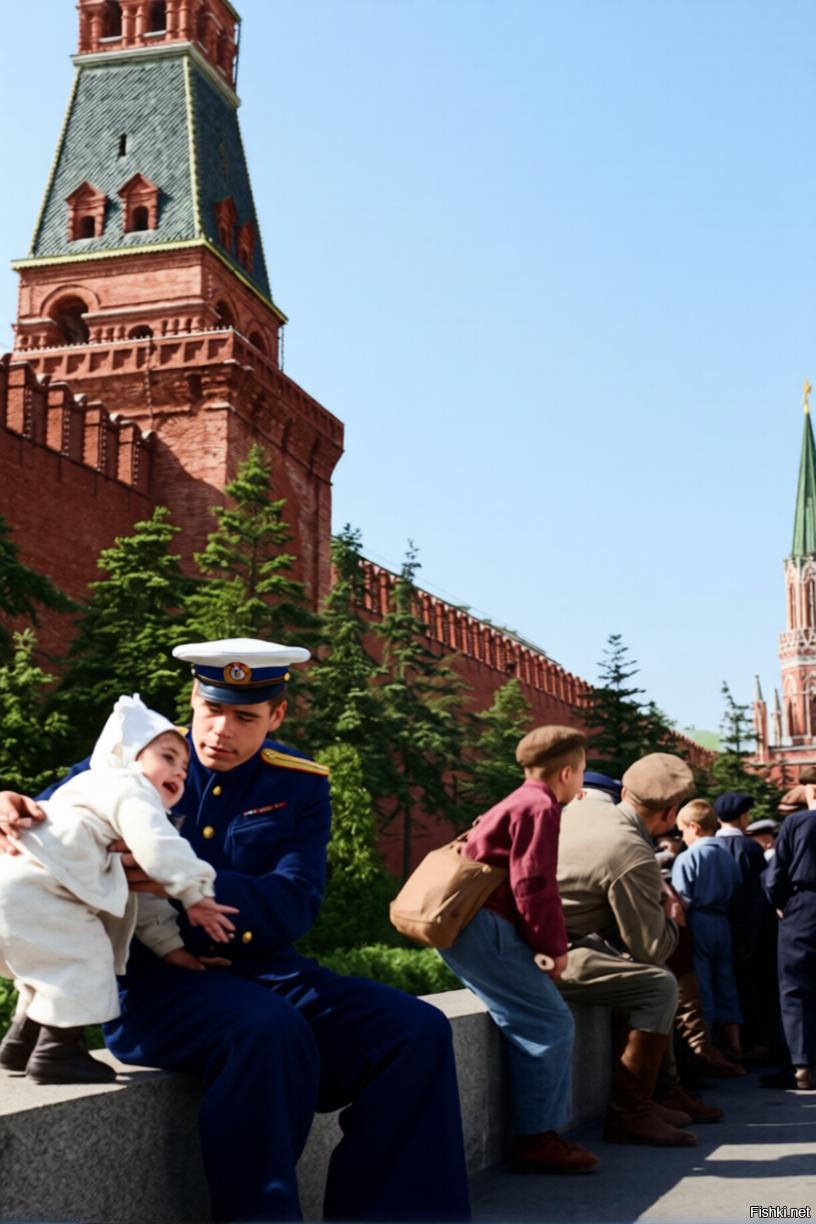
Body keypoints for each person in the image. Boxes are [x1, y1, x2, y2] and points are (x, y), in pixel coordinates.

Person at [0, 639, 471, 1224]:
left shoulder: (298, 785)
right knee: (265, 1029)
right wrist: (10, 809)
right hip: (153, 983)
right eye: (212, 710)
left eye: (245, 718)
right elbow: (37, 831)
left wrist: (188, 883)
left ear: (277, 715)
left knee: (415, 1031)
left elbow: (295, 905)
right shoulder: (131, 762)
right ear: (193, 700)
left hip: (268, 970)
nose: (221, 731)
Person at [0, 694, 236, 1085]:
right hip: (37, 891)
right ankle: (57, 1054)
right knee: (83, 962)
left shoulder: (83, 796)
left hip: (17, 890)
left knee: (48, 968)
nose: (179, 772)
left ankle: (20, 1043)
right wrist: (196, 894)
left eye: (184, 767)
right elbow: (159, 848)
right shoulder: (129, 786)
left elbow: (139, 895)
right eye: (167, 757)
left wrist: (171, 949)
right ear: (127, 757)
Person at [439, 725, 600, 1175]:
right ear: (566, 772)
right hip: (485, 927)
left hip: (469, 925)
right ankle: (537, 1140)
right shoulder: (540, 805)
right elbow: (533, 884)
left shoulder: (517, 799)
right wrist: (554, 948)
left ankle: (541, 1134)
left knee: (531, 1016)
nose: (581, 783)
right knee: (549, 1021)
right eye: (582, 772)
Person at [555, 753, 715, 1147]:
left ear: (625, 792)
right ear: (672, 813)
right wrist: (673, 920)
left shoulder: (584, 810)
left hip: (523, 939)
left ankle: (663, 1093)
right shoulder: (631, 850)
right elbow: (651, 948)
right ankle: (631, 1113)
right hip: (542, 952)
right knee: (656, 984)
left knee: (639, 974)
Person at [671, 800, 743, 1060]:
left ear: (694, 827)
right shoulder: (727, 856)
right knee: (726, 982)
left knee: (701, 985)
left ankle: (708, 1049)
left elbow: (682, 901)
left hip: (698, 921)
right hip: (723, 922)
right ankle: (734, 1045)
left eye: (682, 831)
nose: (682, 837)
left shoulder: (688, 857)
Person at [761, 799, 816, 1091]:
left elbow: (776, 875)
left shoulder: (798, 821)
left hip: (805, 904)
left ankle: (802, 1067)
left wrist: (783, 904)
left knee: (796, 988)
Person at [713, 792, 771, 1056]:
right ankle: (755, 1042)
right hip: (748, 929)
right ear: (743, 817)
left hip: (713, 924)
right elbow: (761, 891)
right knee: (749, 983)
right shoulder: (750, 848)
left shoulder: (707, 846)